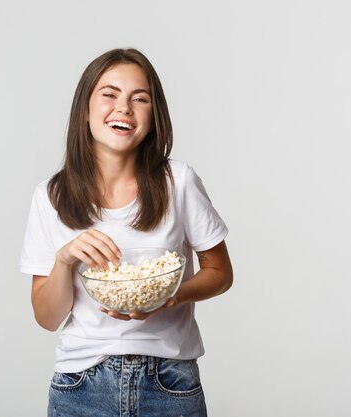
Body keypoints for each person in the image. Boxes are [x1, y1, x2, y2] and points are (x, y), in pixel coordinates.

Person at [20, 47, 233, 417]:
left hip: (170, 382)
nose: (124, 108)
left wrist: (171, 297)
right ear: (85, 108)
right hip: (81, 384)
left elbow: (220, 273)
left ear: (154, 116)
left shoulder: (178, 182)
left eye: (140, 98)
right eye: (109, 94)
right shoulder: (51, 196)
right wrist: (65, 258)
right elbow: (47, 317)